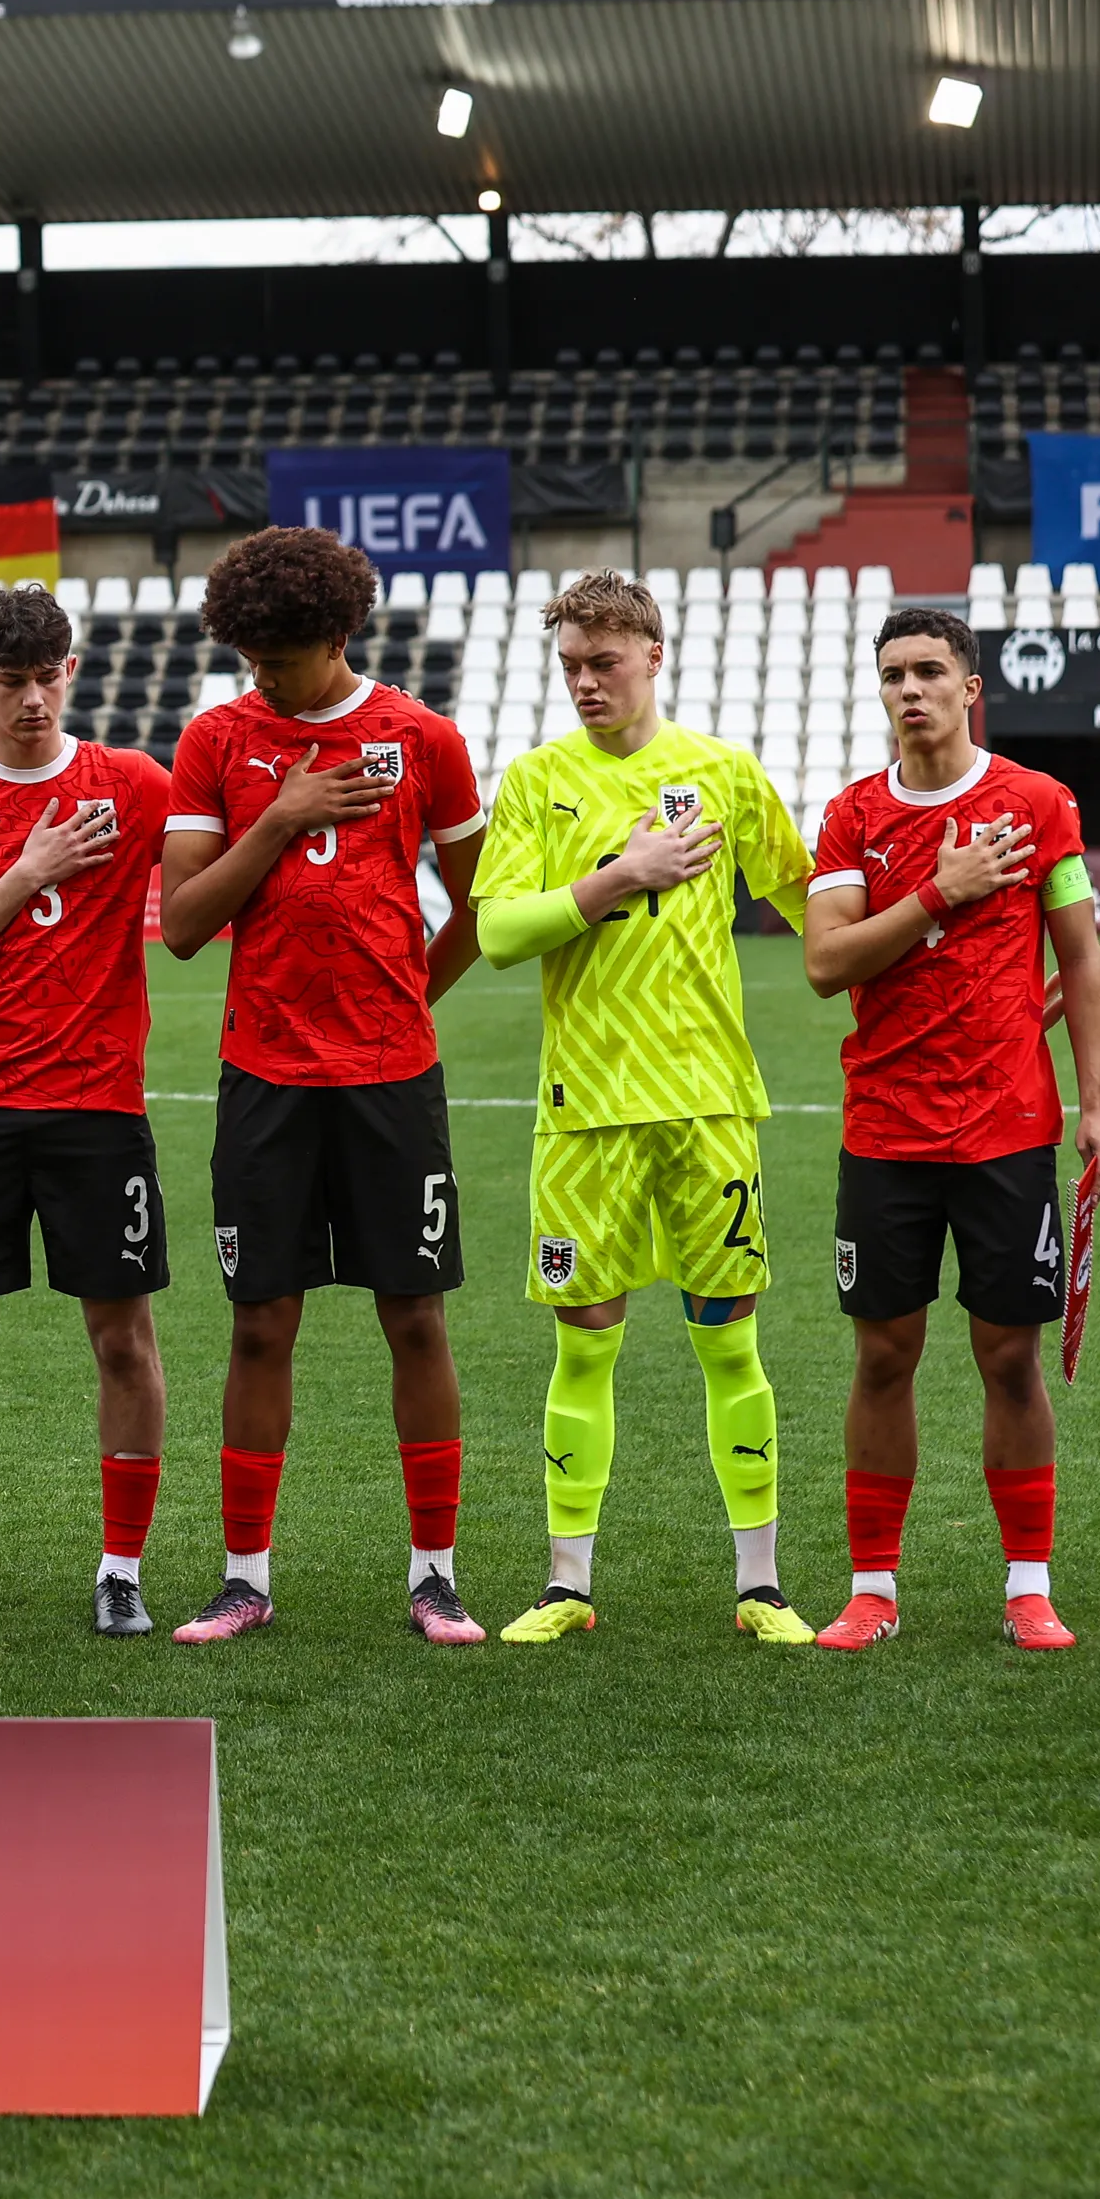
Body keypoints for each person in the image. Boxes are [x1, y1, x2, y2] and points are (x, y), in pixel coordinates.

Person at [466, 568, 820, 1646]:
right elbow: (495, 935)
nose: (585, 681)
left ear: (653, 655)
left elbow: (816, 905)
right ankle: (567, 1584)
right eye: (570, 664)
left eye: (604, 662)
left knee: (730, 1346)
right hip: (583, 1114)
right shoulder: (535, 780)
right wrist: (621, 874)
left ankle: (760, 1584)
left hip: (709, 1104)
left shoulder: (723, 772)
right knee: (584, 1348)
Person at [162, 527, 490, 1647]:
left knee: (416, 1319)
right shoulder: (216, 738)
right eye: (249, 651)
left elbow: (479, 911)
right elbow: (185, 925)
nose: (263, 671)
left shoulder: (421, 736)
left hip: (393, 1077)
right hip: (265, 1077)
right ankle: (244, 1576)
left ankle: (436, 1574)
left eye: (284, 654)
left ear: (339, 634)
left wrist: (405, 998)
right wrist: (281, 818)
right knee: (261, 1325)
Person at [805, 607, 1100, 1652]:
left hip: (1007, 1128)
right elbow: (826, 964)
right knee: (884, 1354)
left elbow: (1079, 959)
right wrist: (942, 890)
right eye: (894, 673)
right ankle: (872, 1588)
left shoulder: (1037, 804)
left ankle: (1027, 1585)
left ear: (971, 686)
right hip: (887, 1128)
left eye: (931, 671)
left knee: (1009, 1357)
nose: (910, 690)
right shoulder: (852, 817)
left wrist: (1099, 1105)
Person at [0, 585, 173, 1639]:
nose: (35, 701)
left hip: (99, 1110)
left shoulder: (133, 784)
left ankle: (122, 1571)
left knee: (123, 1341)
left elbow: (219, 846)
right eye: (12, 683)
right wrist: (27, 870)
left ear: (73, 668)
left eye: (50, 677)